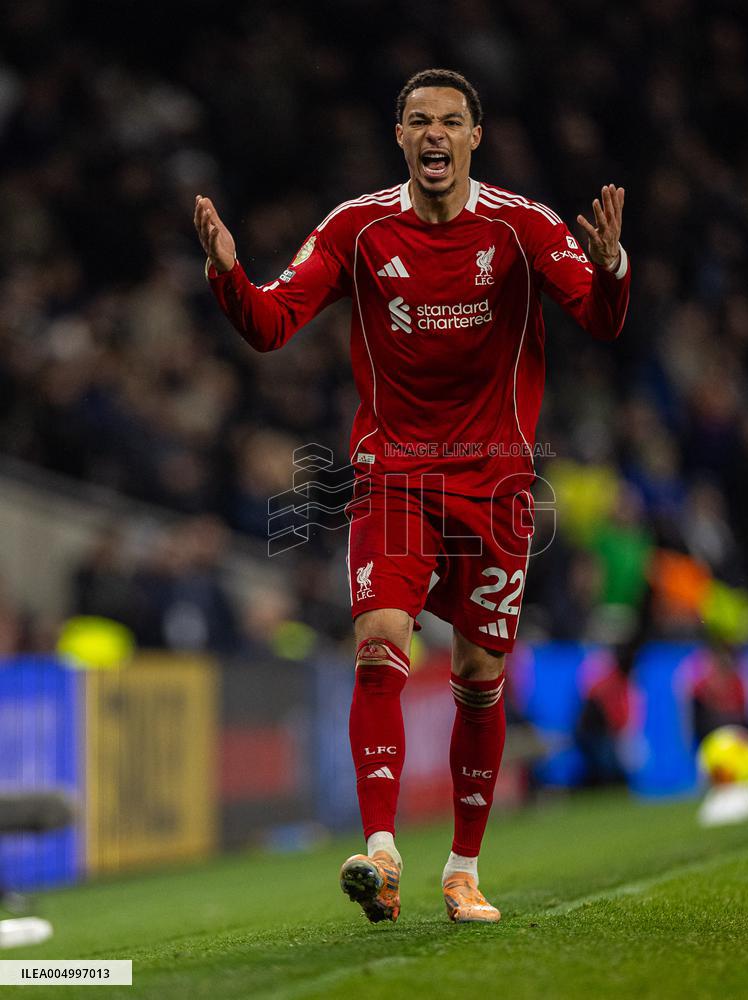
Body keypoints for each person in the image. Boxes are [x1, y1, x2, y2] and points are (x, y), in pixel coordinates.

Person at [194, 68, 630, 924]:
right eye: (420, 121)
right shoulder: (358, 228)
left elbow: (602, 320)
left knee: (478, 679)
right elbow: (273, 323)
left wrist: (613, 265)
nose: (436, 135)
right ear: (401, 137)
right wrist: (228, 274)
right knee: (378, 643)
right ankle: (383, 854)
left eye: (452, 122)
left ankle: (463, 870)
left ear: (476, 137)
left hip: (496, 484)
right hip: (392, 474)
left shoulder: (522, 226)